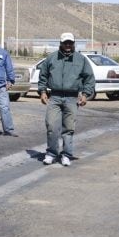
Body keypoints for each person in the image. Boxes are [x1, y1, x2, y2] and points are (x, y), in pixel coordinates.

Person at [38, 32, 95, 166]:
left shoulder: (81, 59)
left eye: (70, 42)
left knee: (68, 128)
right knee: (51, 126)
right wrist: (42, 91)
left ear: (73, 43)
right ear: (61, 43)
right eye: (65, 43)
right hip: (55, 97)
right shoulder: (51, 58)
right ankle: (51, 153)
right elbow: (43, 75)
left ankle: (66, 155)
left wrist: (86, 94)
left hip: (72, 98)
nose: (68, 45)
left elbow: (89, 78)